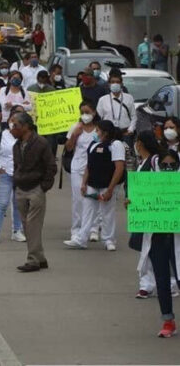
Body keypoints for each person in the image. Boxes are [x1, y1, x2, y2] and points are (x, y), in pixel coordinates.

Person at [129, 149, 180, 337]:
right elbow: (138, 200)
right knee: (162, 280)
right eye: (164, 165)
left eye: (172, 166)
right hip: (157, 239)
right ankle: (168, 321)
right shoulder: (151, 182)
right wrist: (132, 204)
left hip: (177, 240)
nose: (168, 169)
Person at [64, 120, 125, 251]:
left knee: (107, 212)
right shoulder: (93, 144)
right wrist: (84, 183)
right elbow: (89, 166)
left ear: (105, 132)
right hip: (92, 183)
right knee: (87, 211)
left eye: (97, 131)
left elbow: (119, 168)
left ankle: (108, 239)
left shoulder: (115, 145)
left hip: (107, 184)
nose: (95, 133)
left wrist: (110, 189)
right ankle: (81, 239)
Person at [9, 112, 57, 272]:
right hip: (21, 188)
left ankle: (33, 260)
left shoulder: (41, 143)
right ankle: (40, 258)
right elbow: (17, 166)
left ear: (26, 126)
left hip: (36, 188)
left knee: (32, 226)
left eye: (15, 125)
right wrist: (16, 181)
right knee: (26, 225)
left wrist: (44, 186)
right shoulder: (17, 145)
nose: (11, 129)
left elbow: (51, 167)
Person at [64, 101, 101, 242]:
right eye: (82, 113)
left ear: (94, 113)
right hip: (77, 167)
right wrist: (74, 135)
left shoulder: (98, 129)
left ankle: (93, 228)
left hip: (94, 168)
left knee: (93, 197)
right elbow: (68, 148)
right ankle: (76, 229)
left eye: (87, 112)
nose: (85, 115)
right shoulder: (76, 127)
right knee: (78, 199)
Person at [0, 105, 26, 244]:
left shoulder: (24, 136)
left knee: (18, 203)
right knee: (2, 203)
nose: (14, 124)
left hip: (20, 175)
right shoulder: (0, 135)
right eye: (12, 119)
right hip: (5, 174)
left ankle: (17, 231)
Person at [96, 71, 136, 147]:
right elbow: (99, 119)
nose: (115, 84)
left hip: (125, 134)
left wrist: (131, 130)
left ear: (121, 84)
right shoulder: (103, 99)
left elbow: (133, 116)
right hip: (107, 135)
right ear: (109, 84)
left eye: (117, 82)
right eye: (112, 82)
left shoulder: (129, 98)